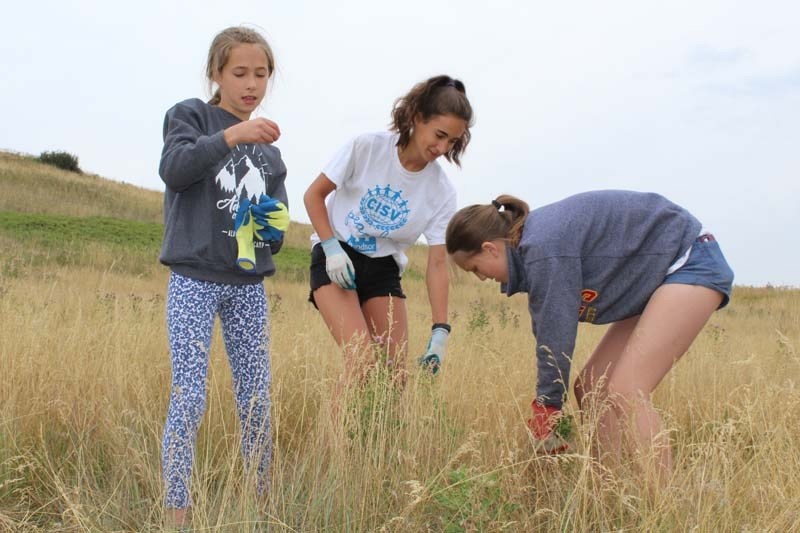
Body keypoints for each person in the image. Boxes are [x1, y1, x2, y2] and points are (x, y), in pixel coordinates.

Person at [445, 190, 734, 482]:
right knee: (592, 386)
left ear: (490, 248)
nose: (481, 278)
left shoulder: (544, 248)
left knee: (626, 390)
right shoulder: (537, 250)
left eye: (475, 268)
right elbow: (547, 326)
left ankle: (662, 512)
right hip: (656, 277)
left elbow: (555, 337)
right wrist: (550, 404)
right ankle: (606, 491)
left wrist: (548, 407)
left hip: (689, 259)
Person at [157, 26, 289, 528]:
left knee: (256, 397)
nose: (251, 84)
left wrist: (269, 224)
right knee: (190, 396)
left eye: (261, 74)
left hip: (247, 285)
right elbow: (175, 169)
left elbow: (271, 233)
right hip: (193, 277)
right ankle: (177, 511)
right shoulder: (189, 115)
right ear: (215, 73)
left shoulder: (271, 155)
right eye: (239, 73)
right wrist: (233, 134)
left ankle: (260, 505)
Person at [303, 75, 473, 394]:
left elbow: (437, 263)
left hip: (383, 268)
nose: (443, 148)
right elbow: (314, 195)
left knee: (394, 379)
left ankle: (377, 444)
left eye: (452, 141)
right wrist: (330, 247)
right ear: (416, 117)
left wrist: (440, 330)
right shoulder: (366, 147)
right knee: (362, 365)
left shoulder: (441, 191)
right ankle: (334, 445)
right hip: (337, 255)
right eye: (439, 135)